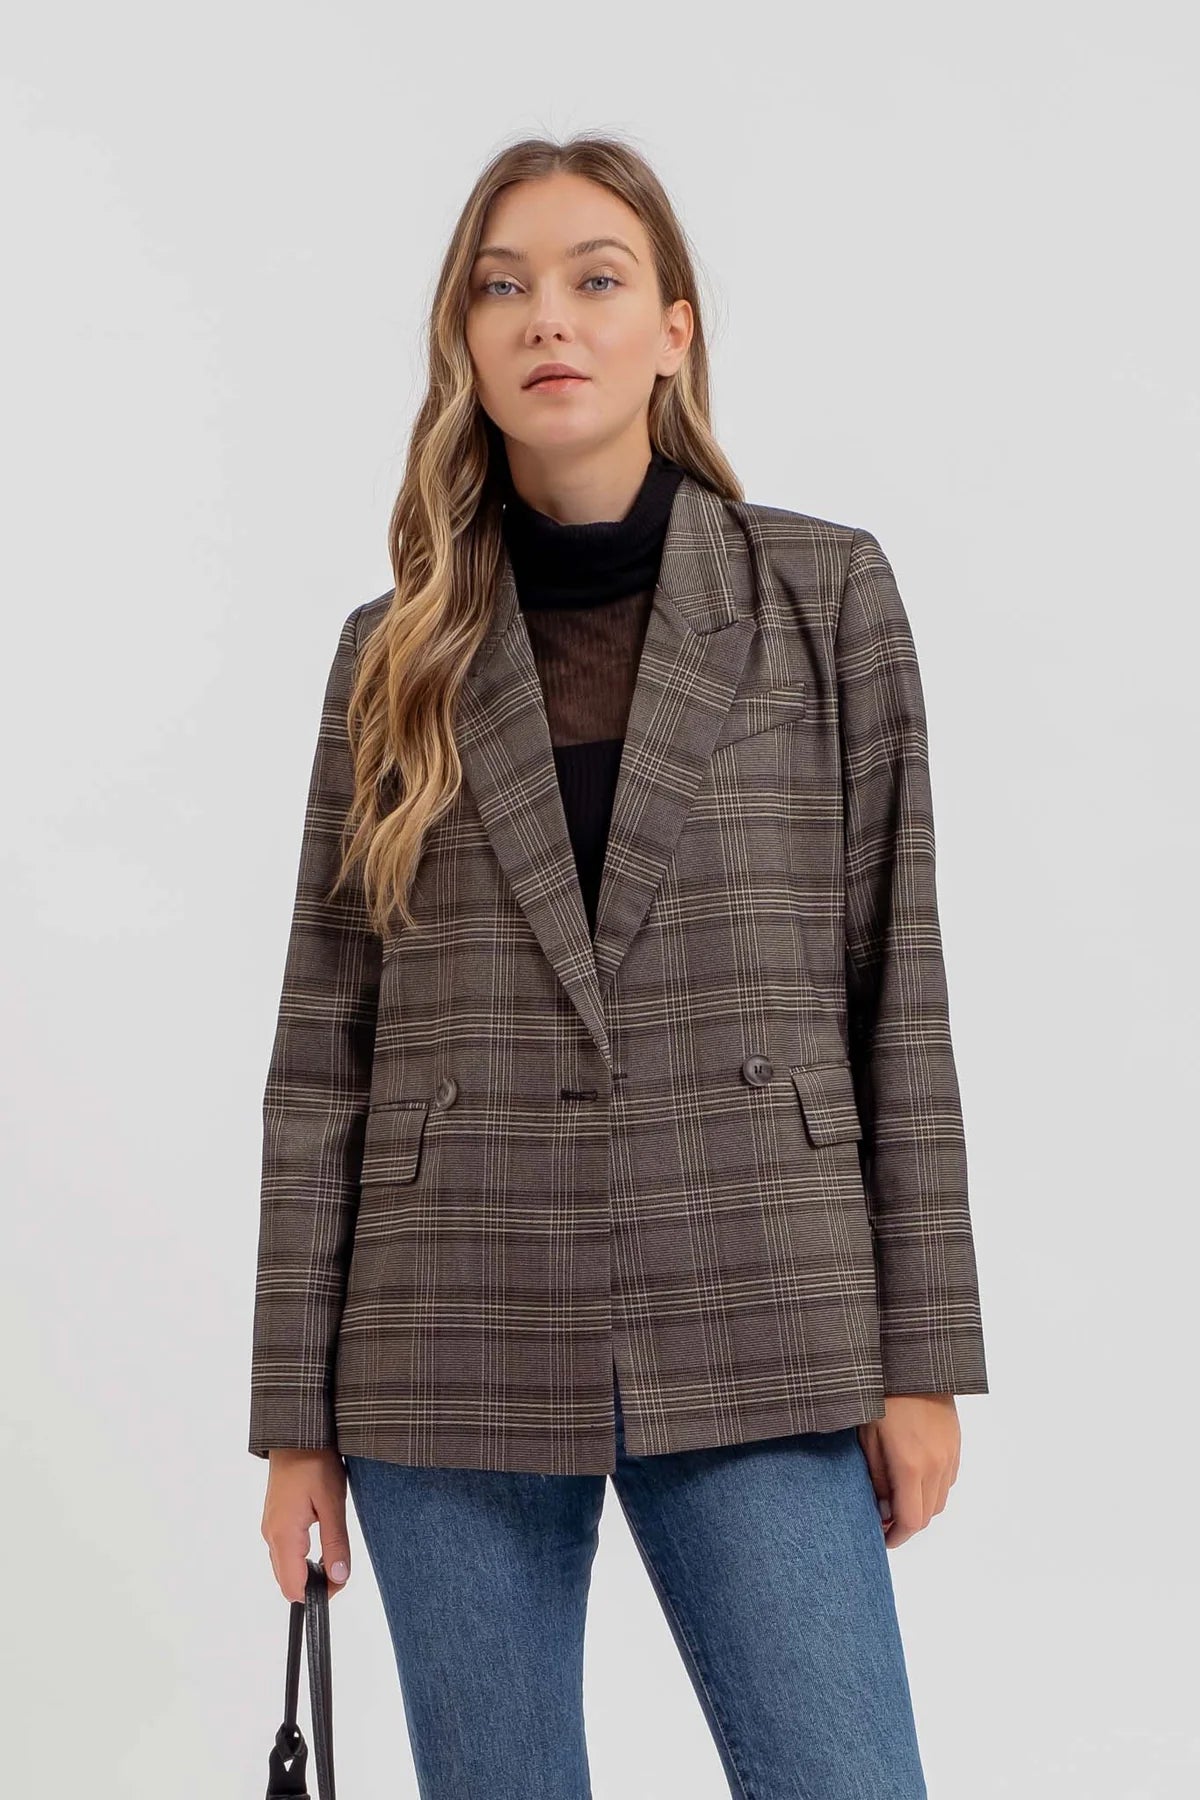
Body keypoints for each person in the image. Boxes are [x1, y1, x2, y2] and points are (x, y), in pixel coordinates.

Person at [250, 132, 989, 1800]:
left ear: (673, 329)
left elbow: (900, 985)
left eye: (595, 279)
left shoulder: (824, 595)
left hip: (763, 1293)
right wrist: (296, 1419)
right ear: (465, 340)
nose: (547, 317)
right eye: (501, 287)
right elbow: (323, 1050)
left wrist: (921, 1353)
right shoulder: (392, 655)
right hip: (444, 1327)